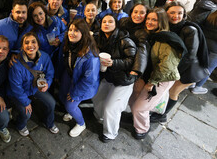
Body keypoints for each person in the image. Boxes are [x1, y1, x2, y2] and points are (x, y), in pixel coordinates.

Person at [130, 8, 186, 140]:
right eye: (148, 19)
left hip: (161, 78)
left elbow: (166, 67)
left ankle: (142, 129)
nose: (149, 22)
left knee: (140, 107)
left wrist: (152, 82)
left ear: (161, 21)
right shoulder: (152, 35)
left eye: (154, 19)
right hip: (149, 74)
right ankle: (135, 118)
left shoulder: (167, 39)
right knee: (133, 99)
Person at [149, 2, 209, 123]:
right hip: (180, 66)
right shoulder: (169, 26)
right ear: (166, 13)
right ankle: (159, 111)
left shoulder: (189, 29)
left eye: (180, 13)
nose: (176, 15)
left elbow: (189, 56)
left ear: (184, 15)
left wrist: (173, 74)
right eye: (172, 12)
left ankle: (162, 115)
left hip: (190, 70)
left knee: (173, 92)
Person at [92, 14, 136, 142]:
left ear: (116, 24)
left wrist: (113, 63)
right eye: (104, 21)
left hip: (123, 79)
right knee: (97, 97)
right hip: (109, 76)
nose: (106, 24)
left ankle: (110, 133)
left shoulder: (125, 40)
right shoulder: (98, 37)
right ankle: (100, 116)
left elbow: (132, 61)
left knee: (111, 108)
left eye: (110, 21)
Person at [7, 32, 58, 136]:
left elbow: (50, 73)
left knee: (51, 103)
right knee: (27, 113)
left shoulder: (45, 56)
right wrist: (26, 102)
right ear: (22, 47)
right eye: (26, 43)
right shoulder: (16, 63)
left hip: (35, 88)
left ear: (38, 45)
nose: (30, 45)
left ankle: (49, 123)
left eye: (33, 42)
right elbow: (16, 87)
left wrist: (47, 83)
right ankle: (20, 125)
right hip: (19, 93)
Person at [59, 19, 100, 137]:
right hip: (70, 74)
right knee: (62, 95)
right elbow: (62, 60)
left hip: (82, 82)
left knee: (70, 105)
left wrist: (75, 94)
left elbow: (88, 80)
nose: (72, 33)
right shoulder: (68, 43)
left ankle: (81, 123)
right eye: (70, 29)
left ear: (84, 34)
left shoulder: (91, 56)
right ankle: (71, 112)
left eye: (76, 30)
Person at [192, 11, 217, 94]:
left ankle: (190, 82)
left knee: (198, 63)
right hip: (215, 50)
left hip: (204, 42)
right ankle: (197, 87)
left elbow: (198, 20)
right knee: (208, 69)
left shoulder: (212, 14)